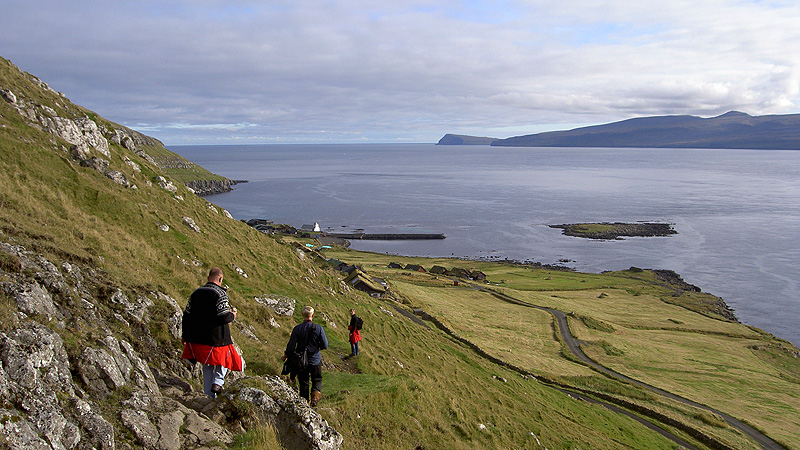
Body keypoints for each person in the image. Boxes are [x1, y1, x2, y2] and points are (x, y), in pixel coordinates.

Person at [181, 267, 242, 399]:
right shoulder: (220, 293)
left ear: (208, 277)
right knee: (226, 359)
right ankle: (218, 382)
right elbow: (224, 316)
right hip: (217, 338)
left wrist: (185, 335)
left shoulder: (195, 293)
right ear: (220, 279)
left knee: (207, 366)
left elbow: (186, 315)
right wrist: (233, 315)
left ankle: (208, 395)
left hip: (198, 338)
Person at [282, 306, 328, 407]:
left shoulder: (297, 329)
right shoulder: (319, 328)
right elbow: (325, 345)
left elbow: (291, 346)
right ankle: (315, 397)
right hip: (315, 359)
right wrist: (316, 346)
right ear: (313, 315)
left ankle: (304, 403)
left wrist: (286, 355)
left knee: (303, 382)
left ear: (302, 315)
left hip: (301, 360)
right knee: (317, 378)